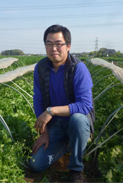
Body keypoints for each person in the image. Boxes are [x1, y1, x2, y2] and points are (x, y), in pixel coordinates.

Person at [28, 24, 95, 183]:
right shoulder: (41, 68)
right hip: (56, 126)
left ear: (68, 46)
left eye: (59, 44)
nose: (54, 48)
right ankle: (67, 143)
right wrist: (44, 133)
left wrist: (51, 111)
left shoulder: (78, 69)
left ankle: (76, 169)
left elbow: (85, 105)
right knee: (35, 164)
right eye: (49, 44)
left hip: (76, 123)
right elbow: (38, 99)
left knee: (77, 120)